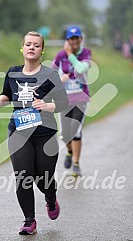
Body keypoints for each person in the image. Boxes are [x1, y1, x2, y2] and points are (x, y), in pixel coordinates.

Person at [0, 31, 68, 235]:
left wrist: (47, 105)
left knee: (44, 179)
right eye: (28, 44)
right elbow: (7, 93)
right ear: (22, 48)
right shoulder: (13, 73)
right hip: (19, 132)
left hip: (45, 133)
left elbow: (63, 102)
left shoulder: (49, 75)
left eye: (36, 45)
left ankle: (50, 198)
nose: (32, 47)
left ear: (42, 50)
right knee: (23, 176)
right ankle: (29, 221)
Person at [52, 26, 91, 177]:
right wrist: (59, 81)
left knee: (76, 130)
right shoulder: (60, 55)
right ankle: (69, 152)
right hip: (64, 99)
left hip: (80, 99)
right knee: (64, 134)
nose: (74, 41)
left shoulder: (86, 53)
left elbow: (81, 69)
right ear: (67, 40)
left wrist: (70, 54)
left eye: (77, 38)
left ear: (81, 39)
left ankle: (76, 164)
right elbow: (51, 73)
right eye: (71, 39)